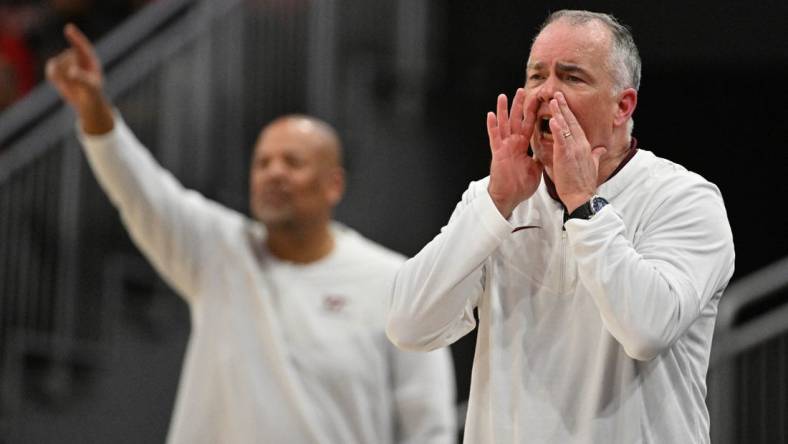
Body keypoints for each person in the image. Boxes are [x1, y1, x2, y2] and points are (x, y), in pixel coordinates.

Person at [46, 24, 456, 444]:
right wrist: (95, 109)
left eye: (292, 162)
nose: (274, 172)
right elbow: (141, 191)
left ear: (333, 184)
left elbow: (429, 427)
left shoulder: (394, 282)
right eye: (263, 163)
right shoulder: (217, 252)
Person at [387, 9, 734, 444]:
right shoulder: (495, 199)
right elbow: (408, 325)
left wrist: (583, 205)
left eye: (571, 78)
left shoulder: (684, 199)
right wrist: (496, 204)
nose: (546, 93)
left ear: (622, 106)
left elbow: (646, 330)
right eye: (536, 77)